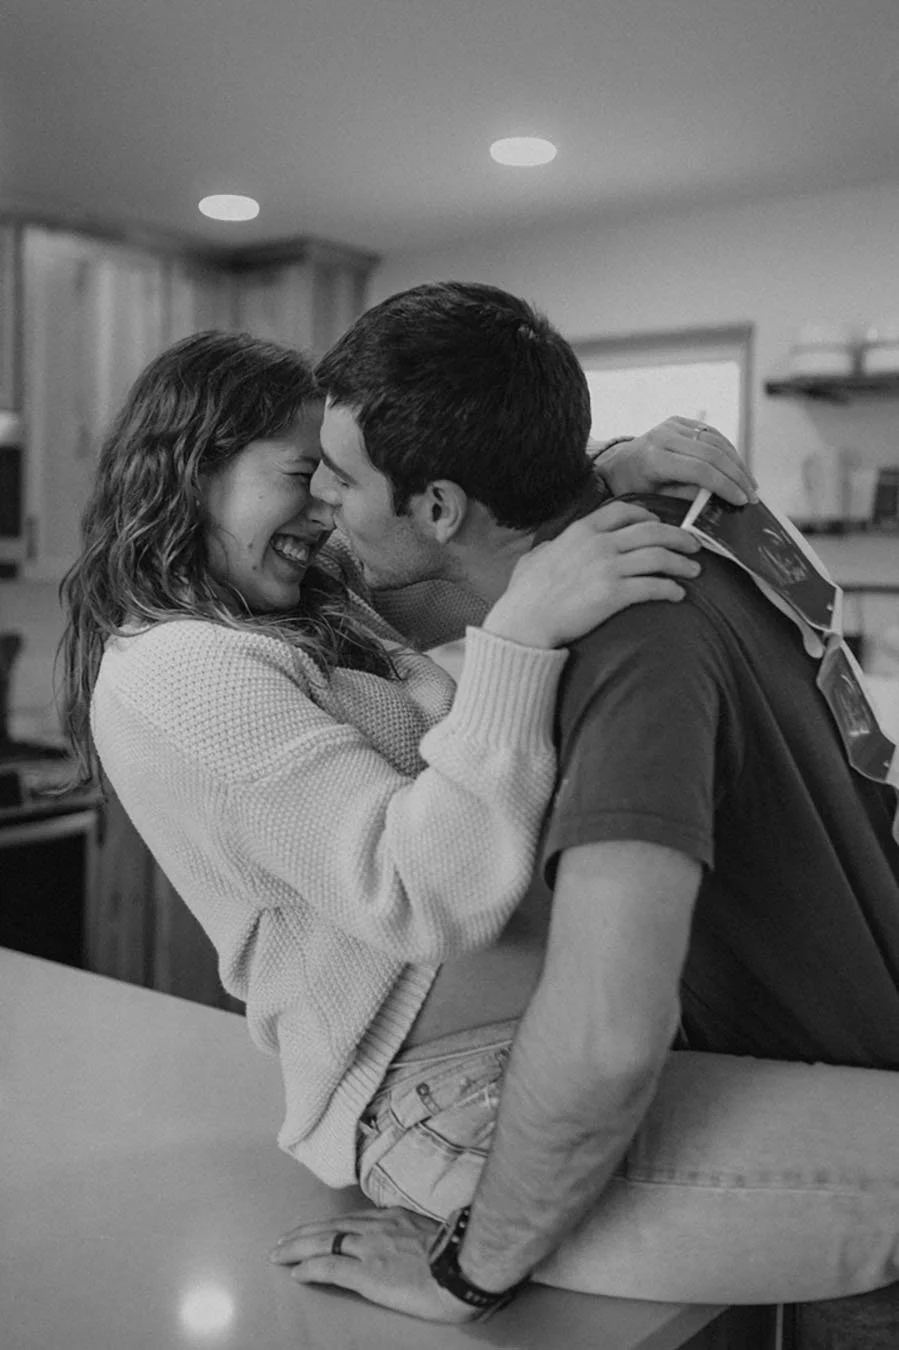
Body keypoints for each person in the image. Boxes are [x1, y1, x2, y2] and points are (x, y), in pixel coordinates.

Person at [264, 282, 899, 1342]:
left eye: (341, 480)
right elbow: (424, 583)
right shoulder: (687, 518)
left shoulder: (627, 653)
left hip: (848, 1128)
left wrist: (465, 1272)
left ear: (437, 507)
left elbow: (607, 1034)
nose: (321, 506)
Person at [59, 327, 742, 1189]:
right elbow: (425, 896)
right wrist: (517, 638)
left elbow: (430, 530)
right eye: (309, 476)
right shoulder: (180, 671)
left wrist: (610, 467)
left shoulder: (305, 590)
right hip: (445, 1105)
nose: (332, 508)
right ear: (193, 469)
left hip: (535, 1065)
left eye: (341, 481)